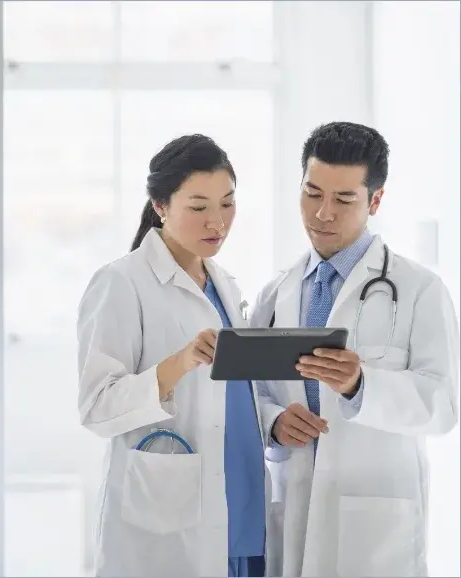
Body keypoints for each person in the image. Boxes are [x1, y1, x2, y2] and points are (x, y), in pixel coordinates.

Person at [249, 121, 459, 577]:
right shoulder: (275, 293)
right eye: (312, 193)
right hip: (294, 504)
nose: (323, 213)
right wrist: (273, 423)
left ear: (375, 201)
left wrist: (362, 384)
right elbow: (253, 392)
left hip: (375, 521)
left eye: (344, 199)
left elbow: (442, 406)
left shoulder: (419, 290)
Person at [77, 134, 271, 577]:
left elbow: (238, 397)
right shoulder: (122, 283)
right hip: (172, 513)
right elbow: (95, 406)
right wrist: (178, 365)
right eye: (199, 207)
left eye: (228, 204)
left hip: (240, 498)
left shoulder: (226, 283)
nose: (217, 222)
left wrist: (275, 418)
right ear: (161, 206)